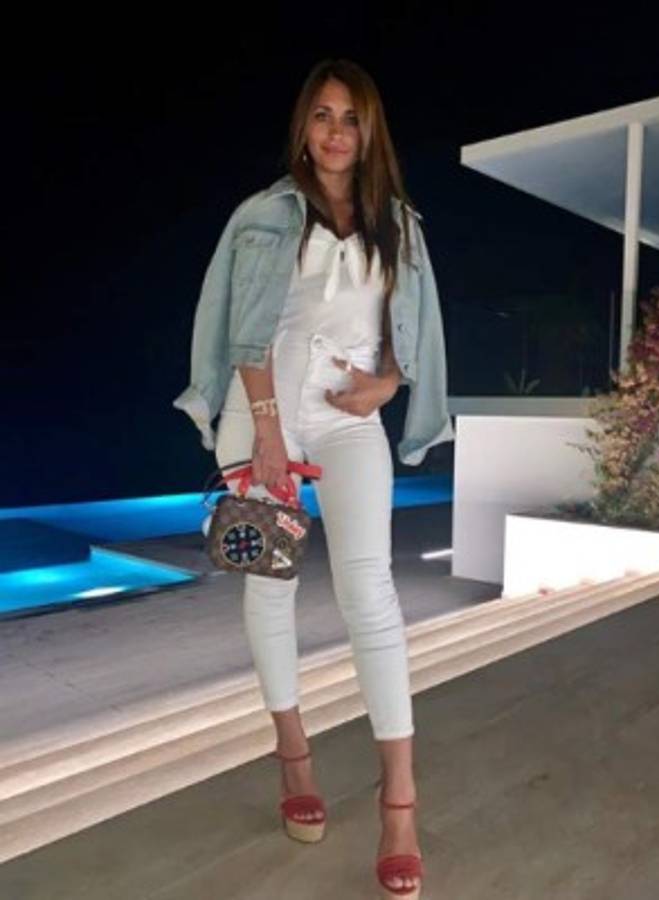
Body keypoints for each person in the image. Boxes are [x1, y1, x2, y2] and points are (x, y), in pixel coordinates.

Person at [173, 57, 454, 900]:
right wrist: (264, 431)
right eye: (323, 115)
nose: (336, 132)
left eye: (351, 118)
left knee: (371, 589)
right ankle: (293, 758)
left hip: (346, 417)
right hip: (260, 414)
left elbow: (412, 328)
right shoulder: (262, 216)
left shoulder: (397, 223)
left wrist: (389, 385)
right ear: (304, 125)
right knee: (272, 588)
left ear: (369, 133)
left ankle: (398, 805)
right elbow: (239, 326)